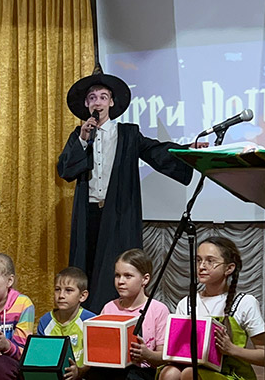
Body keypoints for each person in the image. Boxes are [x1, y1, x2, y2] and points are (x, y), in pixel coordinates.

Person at [57, 65, 194, 314]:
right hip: (88, 214)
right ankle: (86, 317)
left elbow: (156, 151)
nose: (97, 102)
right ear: (87, 104)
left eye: (103, 97)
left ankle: (116, 314)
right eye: (92, 97)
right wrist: (83, 139)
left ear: (111, 103)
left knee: (116, 265)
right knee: (87, 265)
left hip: (118, 213)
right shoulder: (80, 134)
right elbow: (65, 170)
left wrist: (189, 151)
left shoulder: (128, 134)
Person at [151, 236, 265, 380]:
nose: (202, 266)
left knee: (189, 375)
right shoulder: (187, 303)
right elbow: (177, 347)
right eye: (198, 260)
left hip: (231, 375)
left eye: (210, 261)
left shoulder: (245, 303)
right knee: (169, 375)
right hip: (191, 369)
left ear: (229, 268)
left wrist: (231, 349)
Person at [84, 248, 169, 380]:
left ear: (145, 279)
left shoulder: (158, 310)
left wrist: (147, 354)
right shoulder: (109, 307)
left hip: (144, 378)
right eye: (117, 275)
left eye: (128, 276)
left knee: (128, 375)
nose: (121, 281)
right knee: (95, 375)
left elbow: (164, 356)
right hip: (111, 375)